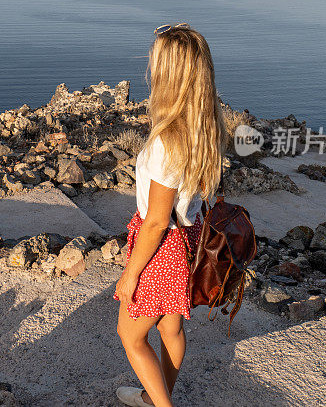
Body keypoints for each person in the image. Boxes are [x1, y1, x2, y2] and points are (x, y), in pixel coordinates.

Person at [113, 23, 227, 407]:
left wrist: (130, 274)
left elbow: (157, 221)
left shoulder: (167, 141)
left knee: (130, 335)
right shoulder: (205, 125)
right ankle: (154, 395)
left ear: (169, 73)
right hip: (189, 237)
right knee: (171, 326)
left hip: (163, 247)